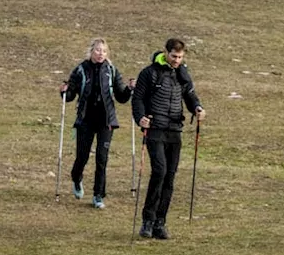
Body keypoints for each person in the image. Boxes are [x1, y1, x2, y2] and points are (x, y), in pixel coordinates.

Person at [131, 37, 204, 240]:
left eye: (180, 57)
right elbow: (137, 98)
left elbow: (190, 95)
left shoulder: (182, 73)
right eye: (174, 56)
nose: (177, 60)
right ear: (166, 52)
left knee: (170, 178)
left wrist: (197, 107)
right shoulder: (149, 72)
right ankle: (147, 220)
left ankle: (160, 223)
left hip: (175, 129)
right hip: (155, 129)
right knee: (159, 172)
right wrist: (140, 118)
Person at [59, 38, 134, 209]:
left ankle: (98, 195)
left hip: (106, 120)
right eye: (98, 50)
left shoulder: (112, 70)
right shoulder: (81, 70)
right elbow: (70, 95)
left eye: (104, 51)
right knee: (82, 156)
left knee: (102, 158)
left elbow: (121, 97)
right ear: (91, 51)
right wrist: (64, 91)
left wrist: (129, 89)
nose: (101, 54)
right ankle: (76, 178)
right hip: (85, 119)